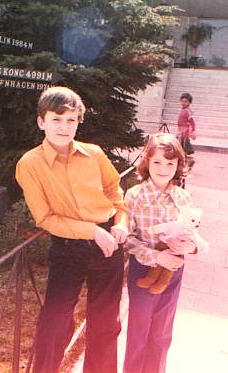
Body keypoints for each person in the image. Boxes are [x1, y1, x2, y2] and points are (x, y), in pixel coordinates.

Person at [16, 86, 128, 373]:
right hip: (68, 248)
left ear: (79, 121)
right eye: (56, 119)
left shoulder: (95, 154)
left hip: (109, 244)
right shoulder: (30, 164)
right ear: (41, 121)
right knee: (55, 321)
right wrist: (92, 231)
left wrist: (121, 223)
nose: (64, 127)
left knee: (105, 324)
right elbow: (45, 218)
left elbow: (115, 191)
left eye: (71, 120)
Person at [123, 133, 202, 373]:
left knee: (162, 332)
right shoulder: (135, 196)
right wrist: (155, 256)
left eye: (170, 163)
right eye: (157, 162)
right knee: (139, 331)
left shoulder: (182, 196)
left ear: (179, 165)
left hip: (173, 271)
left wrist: (192, 247)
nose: (163, 169)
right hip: (143, 269)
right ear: (147, 162)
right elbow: (127, 238)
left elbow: (192, 232)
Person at [177, 92, 196, 168]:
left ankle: (186, 162)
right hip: (180, 130)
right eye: (182, 101)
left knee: (183, 147)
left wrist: (193, 131)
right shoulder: (182, 110)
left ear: (189, 102)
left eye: (186, 101)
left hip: (185, 131)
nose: (183, 103)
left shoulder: (188, 111)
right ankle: (182, 162)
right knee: (179, 146)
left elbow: (192, 122)